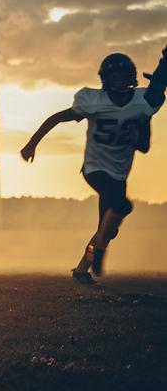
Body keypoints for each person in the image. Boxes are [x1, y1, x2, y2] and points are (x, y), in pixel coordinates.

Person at [20, 46, 166, 284]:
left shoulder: (143, 102)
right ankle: (98, 253)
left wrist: (141, 126)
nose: (118, 82)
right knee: (122, 206)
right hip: (95, 168)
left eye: (122, 76)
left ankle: (81, 270)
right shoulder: (94, 101)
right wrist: (31, 144)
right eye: (114, 77)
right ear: (106, 80)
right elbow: (58, 117)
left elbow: (144, 146)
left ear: (131, 78)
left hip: (119, 173)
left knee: (107, 229)